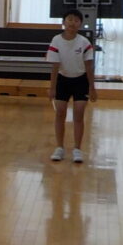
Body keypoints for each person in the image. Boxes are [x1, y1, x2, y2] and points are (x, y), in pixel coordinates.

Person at [46, 9, 97, 162]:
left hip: (81, 80)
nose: (72, 23)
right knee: (60, 113)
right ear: (63, 22)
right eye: (69, 19)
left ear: (80, 24)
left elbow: (89, 66)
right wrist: (52, 87)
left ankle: (77, 149)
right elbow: (55, 66)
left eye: (76, 20)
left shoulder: (84, 42)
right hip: (62, 80)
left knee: (79, 114)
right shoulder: (56, 40)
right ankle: (59, 148)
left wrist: (92, 88)